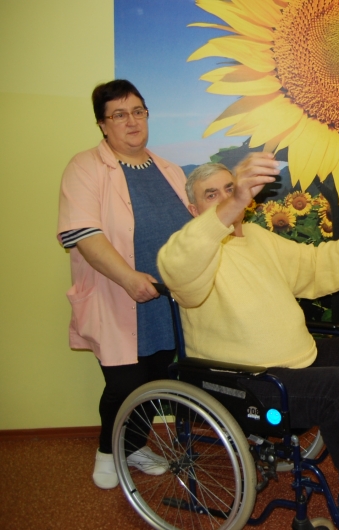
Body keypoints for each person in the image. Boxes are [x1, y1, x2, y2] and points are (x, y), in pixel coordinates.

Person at [157, 156, 339, 530]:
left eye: (231, 189)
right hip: (247, 382)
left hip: (297, 359)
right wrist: (231, 205)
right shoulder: (191, 253)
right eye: (213, 195)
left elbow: (313, 265)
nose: (226, 199)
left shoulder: (256, 237)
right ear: (194, 210)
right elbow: (176, 268)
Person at [56, 80, 192, 489]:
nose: (131, 121)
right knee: (123, 386)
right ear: (102, 124)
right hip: (116, 295)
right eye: (119, 115)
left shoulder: (170, 170)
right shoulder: (85, 167)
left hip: (166, 301)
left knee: (156, 384)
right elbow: (83, 234)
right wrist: (129, 278)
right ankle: (107, 450)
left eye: (138, 111)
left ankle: (133, 446)